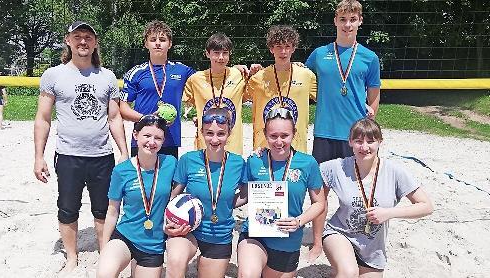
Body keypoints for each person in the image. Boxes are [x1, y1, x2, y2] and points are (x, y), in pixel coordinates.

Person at [33, 21, 129, 274]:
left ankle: (104, 252)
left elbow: (114, 117)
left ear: (95, 43)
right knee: (67, 208)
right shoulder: (54, 75)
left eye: (88, 37)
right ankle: (72, 257)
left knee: (104, 208)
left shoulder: (107, 76)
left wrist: (124, 152)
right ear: (68, 40)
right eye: (78, 36)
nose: (83, 41)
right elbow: (43, 118)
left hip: (101, 155)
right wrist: (38, 157)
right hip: (68, 155)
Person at [305, 0, 382, 261]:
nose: (347, 24)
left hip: (355, 136)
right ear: (335, 21)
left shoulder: (369, 57)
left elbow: (374, 97)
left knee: (359, 191)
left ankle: (358, 240)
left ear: (360, 21)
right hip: (325, 133)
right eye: (343, 19)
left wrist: (370, 119)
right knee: (320, 194)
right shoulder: (319, 54)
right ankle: (316, 243)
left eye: (353, 19)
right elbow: (300, 77)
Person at [319, 118, 433, 277]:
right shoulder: (336, 167)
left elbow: (426, 206)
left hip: (373, 249)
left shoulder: (395, 172)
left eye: (370, 141)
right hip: (340, 234)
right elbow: (309, 175)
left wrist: (389, 213)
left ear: (380, 141)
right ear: (350, 142)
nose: (364, 147)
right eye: (358, 141)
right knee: (348, 272)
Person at [237, 107, 326, 278]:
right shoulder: (255, 160)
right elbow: (245, 195)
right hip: (256, 234)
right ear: (265, 134)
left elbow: (319, 203)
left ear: (294, 133)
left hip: (288, 238)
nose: (279, 142)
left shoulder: (308, 163)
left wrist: (299, 221)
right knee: (248, 274)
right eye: (273, 136)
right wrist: (217, 203)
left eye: (284, 136)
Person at [164, 107, 247, 278]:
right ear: (201, 131)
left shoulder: (238, 163)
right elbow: (173, 195)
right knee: (175, 260)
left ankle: (204, 262)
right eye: (209, 133)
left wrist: (227, 203)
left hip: (220, 234)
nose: (215, 139)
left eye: (221, 134)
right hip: (189, 230)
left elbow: (246, 195)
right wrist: (167, 223)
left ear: (229, 133)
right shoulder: (188, 159)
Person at [97, 115, 177, 278]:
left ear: (163, 141)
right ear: (135, 135)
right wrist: (104, 248)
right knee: (105, 273)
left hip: (153, 244)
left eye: (158, 138)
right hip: (126, 236)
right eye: (147, 136)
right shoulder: (121, 171)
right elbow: (112, 212)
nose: (152, 142)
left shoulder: (171, 163)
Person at [120, 20, 196, 158]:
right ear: (146, 43)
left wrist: (233, 69)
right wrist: (146, 118)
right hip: (143, 138)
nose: (157, 43)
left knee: (167, 179)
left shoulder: (182, 70)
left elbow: (209, 78)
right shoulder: (136, 72)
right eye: (153, 39)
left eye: (162, 39)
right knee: (141, 179)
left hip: (169, 139)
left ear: (170, 44)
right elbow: (123, 108)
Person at [247, 25, 316, 153]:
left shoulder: (306, 76)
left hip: (296, 148)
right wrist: (241, 71)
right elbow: (234, 96)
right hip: (265, 148)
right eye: (279, 47)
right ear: (271, 49)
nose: (283, 52)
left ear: (293, 48)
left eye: (287, 47)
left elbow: (328, 99)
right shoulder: (258, 78)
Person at [183, 32, 248, 155]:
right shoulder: (195, 79)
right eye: (216, 53)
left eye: (225, 53)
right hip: (205, 143)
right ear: (208, 53)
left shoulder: (239, 75)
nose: (221, 57)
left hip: (232, 145)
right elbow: (190, 103)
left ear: (230, 54)